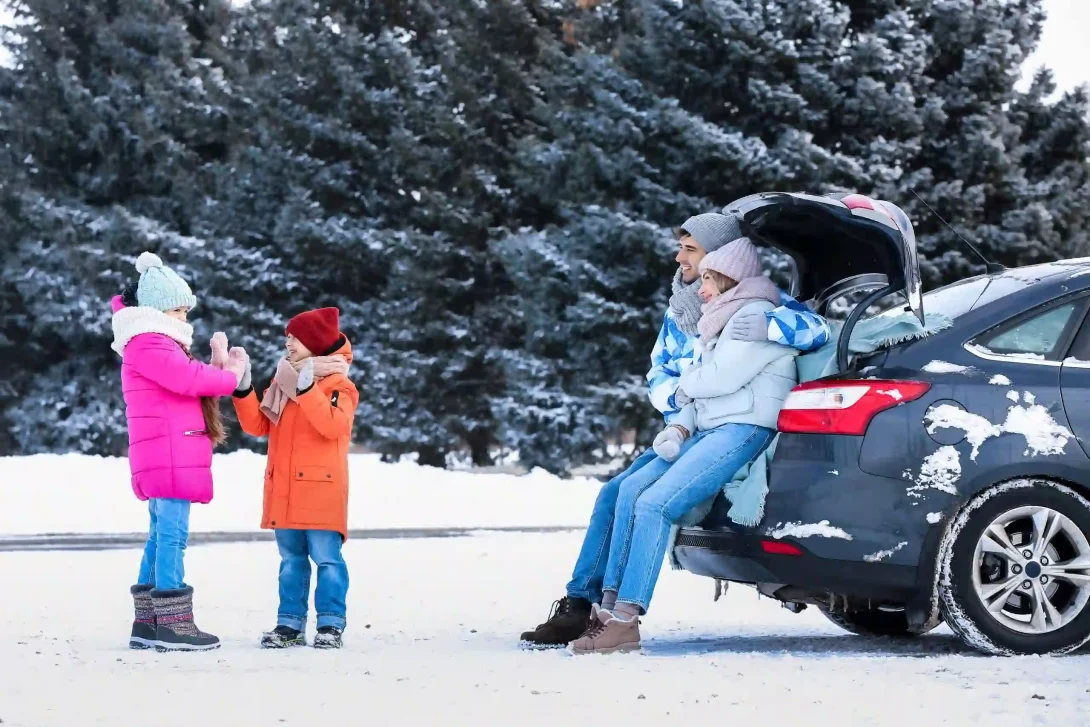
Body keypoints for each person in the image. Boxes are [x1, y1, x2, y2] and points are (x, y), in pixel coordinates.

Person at [518, 213, 829, 650]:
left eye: (691, 250)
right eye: (682, 249)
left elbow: (811, 330)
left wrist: (769, 329)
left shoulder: (753, 306)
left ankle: (617, 616)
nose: (680, 258)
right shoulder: (686, 308)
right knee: (617, 494)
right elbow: (660, 369)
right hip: (688, 421)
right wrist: (679, 414)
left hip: (722, 419)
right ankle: (588, 607)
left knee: (649, 503)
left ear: (720, 262)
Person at [570, 236, 797, 654]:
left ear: (729, 277)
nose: (701, 286)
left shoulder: (756, 315)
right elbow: (697, 387)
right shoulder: (718, 319)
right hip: (710, 428)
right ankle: (605, 612)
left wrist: (683, 387)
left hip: (744, 427)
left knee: (656, 503)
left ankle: (627, 618)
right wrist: (681, 423)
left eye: (708, 277)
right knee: (630, 492)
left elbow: (715, 380)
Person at [112, 252, 248, 652]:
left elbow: (186, 380)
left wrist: (216, 368)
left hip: (168, 450)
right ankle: (173, 623)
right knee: (172, 536)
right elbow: (188, 379)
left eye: (186, 311)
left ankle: (148, 623)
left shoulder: (153, 342)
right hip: (168, 453)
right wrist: (230, 375)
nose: (184, 319)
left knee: (160, 535)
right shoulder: (149, 343)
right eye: (177, 310)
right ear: (155, 310)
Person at [232, 307, 359, 650]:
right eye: (287, 336)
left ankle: (331, 624)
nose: (287, 342)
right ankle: (289, 624)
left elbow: (334, 426)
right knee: (291, 563)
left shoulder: (339, 386)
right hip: (285, 490)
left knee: (327, 560)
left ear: (315, 342)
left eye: (294, 336)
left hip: (321, 492)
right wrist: (244, 389)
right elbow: (259, 425)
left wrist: (308, 392)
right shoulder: (285, 379)